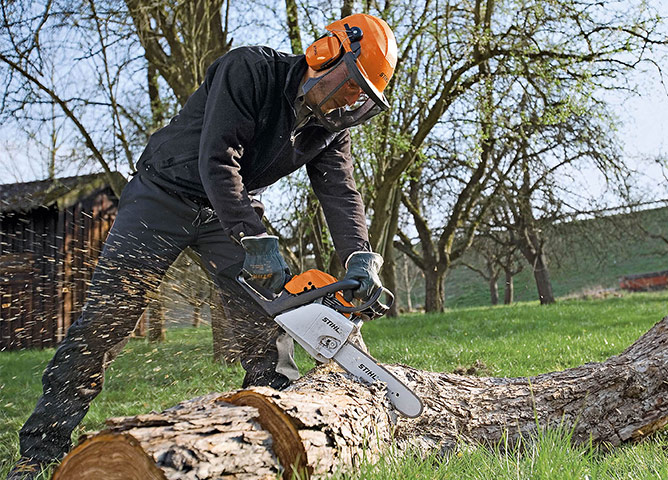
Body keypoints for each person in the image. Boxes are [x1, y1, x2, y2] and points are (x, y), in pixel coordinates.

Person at [7, 13, 397, 479]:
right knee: (107, 319)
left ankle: (276, 440)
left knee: (269, 320)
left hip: (227, 212)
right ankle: (39, 451)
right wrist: (253, 236)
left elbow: (340, 192)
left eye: (363, 97)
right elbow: (218, 159)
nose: (352, 99)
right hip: (162, 195)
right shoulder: (249, 70)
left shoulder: (330, 127)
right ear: (326, 53)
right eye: (353, 84)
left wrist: (360, 256)